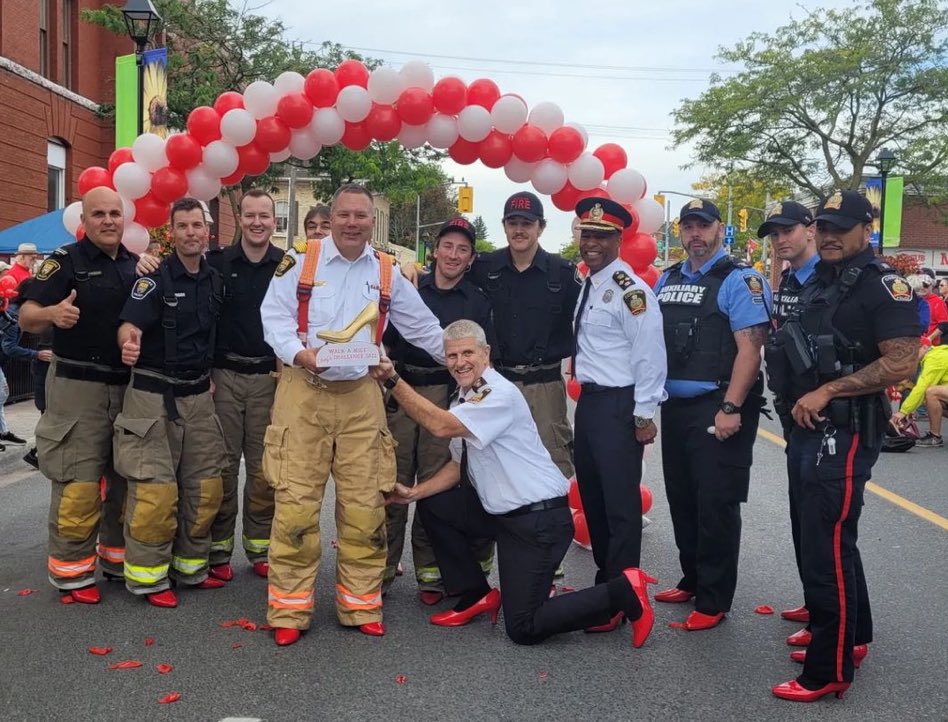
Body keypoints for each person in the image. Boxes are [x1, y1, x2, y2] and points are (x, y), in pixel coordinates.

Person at [374, 320, 656, 647]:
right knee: (435, 505)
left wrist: (392, 380)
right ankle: (476, 594)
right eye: (452, 356)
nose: (460, 362)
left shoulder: (498, 393)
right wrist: (413, 493)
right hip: (503, 515)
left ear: (486, 353)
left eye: (468, 353)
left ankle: (623, 591)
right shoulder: (464, 396)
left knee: (523, 627)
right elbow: (456, 466)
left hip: (538, 521)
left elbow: (440, 426)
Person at [259, 183, 445, 645]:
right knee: (296, 505)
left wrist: (470, 360)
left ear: (372, 222)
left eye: (361, 216)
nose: (352, 223)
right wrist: (298, 355)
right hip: (303, 392)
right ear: (332, 217)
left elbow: (424, 328)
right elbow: (274, 318)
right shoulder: (300, 260)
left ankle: (360, 603)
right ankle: (289, 609)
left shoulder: (386, 270)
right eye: (344, 214)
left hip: (362, 397)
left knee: (365, 506)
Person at [768, 189, 919, 702]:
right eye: (825, 226)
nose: (830, 235)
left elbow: (902, 362)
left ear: (866, 230)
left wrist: (829, 390)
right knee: (828, 541)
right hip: (809, 426)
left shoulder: (883, 286)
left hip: (846, 429)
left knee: (826, 546)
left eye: (841, 227)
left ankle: (827, 670)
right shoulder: (825, 279)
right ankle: (851, 638)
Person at [653, 198, 771, 631]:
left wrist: (731, 406)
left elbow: (750, 350)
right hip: (675, 407)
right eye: (688, 227)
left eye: (703, 226)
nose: (695, 234)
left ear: (720, 229)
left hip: (719, 406)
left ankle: (714, 599)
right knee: (682, 497)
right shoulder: (666, 279)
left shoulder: (740, 280)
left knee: (716, 503)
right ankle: (692, 579)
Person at [18, 187, 138, 603]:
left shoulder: (135, 264)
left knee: (124, 479)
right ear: (83, 221)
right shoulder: (65, 261)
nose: (108, 221)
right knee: (79, 481)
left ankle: (116, 559)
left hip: (125, 387)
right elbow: (27, 315)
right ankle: (72, 571)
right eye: (99, 214)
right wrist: (52, 314)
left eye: (115, 213)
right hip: (77, 388)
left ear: (124, 219)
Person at [115, 197, 225, 609]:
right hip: (152, 396)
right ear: (172, 232)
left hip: (198, 397)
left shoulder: (215, 280)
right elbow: (129, 325)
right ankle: (148, 577)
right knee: (155, 492)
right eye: (183, 226)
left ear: (207, 232)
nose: (191, 232)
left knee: (205, 487)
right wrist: (128, 343)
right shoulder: (152, 278)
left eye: (197, 225)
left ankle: (190, 568)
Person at [382, 216, 495, 604]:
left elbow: (481, 360)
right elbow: (387, 340)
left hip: (443, 395)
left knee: (432, 487)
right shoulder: (409, 287)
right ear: (435, 250)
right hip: (400, 391)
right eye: (447, 245)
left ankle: (430, 574)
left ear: (471, 258)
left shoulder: (477, 301)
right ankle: (379, 571)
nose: (453, 254)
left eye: (463, 249)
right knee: (390, 479)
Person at [569, 197, 666, 633]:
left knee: (620, 508)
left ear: (619, 240)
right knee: (594, 500)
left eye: (601, 236)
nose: (591, 243)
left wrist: (644, 414)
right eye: (586, 234)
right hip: (591, 404)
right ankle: (605, 586)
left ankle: (622, 599)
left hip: (619, 405)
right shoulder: (590, 283)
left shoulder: (631, 291)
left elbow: (650, 356)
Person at [205, 189, 285, 581]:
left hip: (268, 380)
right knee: (221, 469)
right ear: (241, 220)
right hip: (224, 378)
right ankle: (217, 550)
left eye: (264, 216)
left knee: (263, 472)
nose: (256, 222)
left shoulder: (287, 266)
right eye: (250, 215)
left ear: (274, 221)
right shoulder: (217, 263)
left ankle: (260, 548)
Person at [757, 200, 817, 626]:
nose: (780, 240)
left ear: (810, 229)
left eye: (788, 230)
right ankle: (816, 601)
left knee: (822, 524)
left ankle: (833, 622)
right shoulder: (791, 279)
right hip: (792, 411)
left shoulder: (829, 279)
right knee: (802, 516)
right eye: (775, 234)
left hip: (823, 414)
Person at [1, 279, 43, 452]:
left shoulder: (12, 311)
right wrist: (36, 354)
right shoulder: (14, 316)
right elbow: (9, 347)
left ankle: (3, 431)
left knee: (2, 394)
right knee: (2, 394)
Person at [891, 343, 948, 447]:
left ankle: (935, 437)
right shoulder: (936, 354)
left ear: (924, 347)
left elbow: (922, 387)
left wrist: (903, 411)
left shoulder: (936, 357)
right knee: (930, 400)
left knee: (931, 392)